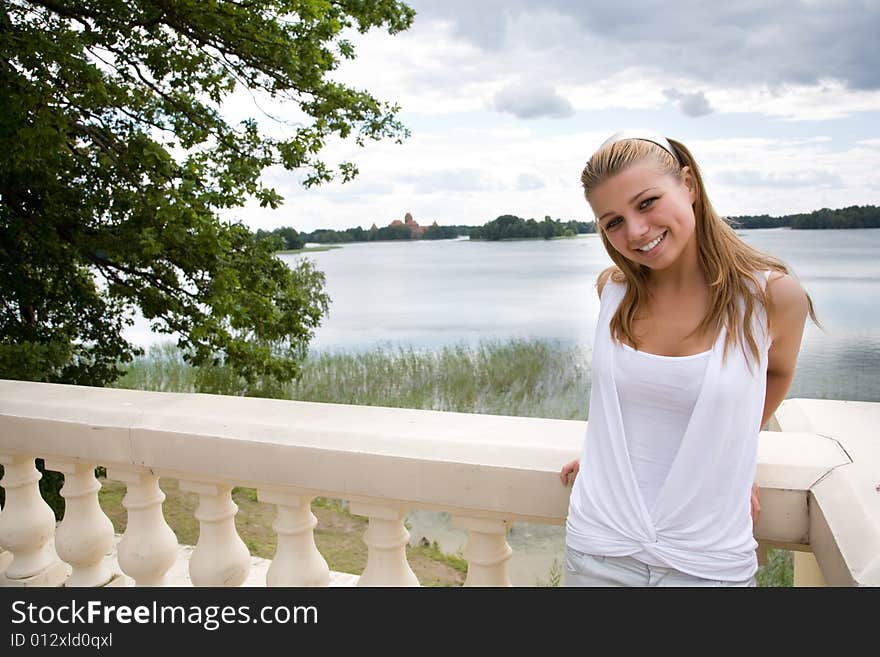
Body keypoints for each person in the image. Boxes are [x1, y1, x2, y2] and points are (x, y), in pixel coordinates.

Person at [559, 130, 816, 587]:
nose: (635, 232)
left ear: (689, 185)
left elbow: (776, 374)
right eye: (612, 221)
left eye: (646, 202)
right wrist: (604, 456)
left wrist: (728, 453)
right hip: (596, 547)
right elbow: (628, 402)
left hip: (708, 560)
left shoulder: (771, 297)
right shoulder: (612, 292)